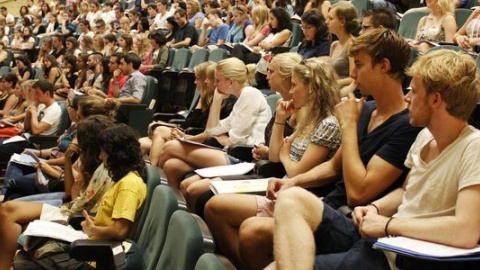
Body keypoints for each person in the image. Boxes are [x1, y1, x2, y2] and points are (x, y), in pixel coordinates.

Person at [208, 28, 422, 269]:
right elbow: (333, 167)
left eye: (360, 65)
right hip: (328, 204)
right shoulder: (365, 109)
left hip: (355, 221)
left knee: (253, 231)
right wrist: (292, 183)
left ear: (383, 66)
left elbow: (359, 193)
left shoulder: (406, 125)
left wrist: (349, 126)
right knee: (229, 214)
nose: (352, 73)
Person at [268, 47, 480, 270]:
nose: (408, 98)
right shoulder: (426, 136)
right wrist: (376, 209)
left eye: (414, 91)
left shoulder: (473, 147)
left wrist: (389, 225)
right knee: (291, 198)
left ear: (436, 99)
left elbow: (465, 231)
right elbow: (405, 191)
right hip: (381, 240)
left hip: (403, 256)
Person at [0, 115, 115, 270]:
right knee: (7, 208)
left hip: (74, 215)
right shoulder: (87, 159)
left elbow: (74, 197)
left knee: (10, 214)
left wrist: (75, 174)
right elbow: (70, 192)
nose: (75, 141)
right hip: (70, 207)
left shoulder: (102, 165)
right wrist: (68, 158)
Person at [159, 57, 271, 187]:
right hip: (231, 152)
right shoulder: (241, 98)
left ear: (231, 81)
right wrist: (217, 100)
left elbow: (237, 140)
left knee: (170, 146)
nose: (215, 84)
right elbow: (213, 130)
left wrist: (224, 140)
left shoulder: (250, 94)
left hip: (242, 159)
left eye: (218, 80)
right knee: (172, 166)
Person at [0, 79, 61, 162]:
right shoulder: (42, 106)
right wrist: (28, 115)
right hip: (26, 139)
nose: (35, 97)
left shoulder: (54, 110)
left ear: (47, 94)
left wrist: (34, 113)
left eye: (37, 94)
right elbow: (27, 127)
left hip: (35, 145)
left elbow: (36, 131)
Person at [326, 1, 358, 89]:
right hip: (332, 91)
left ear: (342, 22)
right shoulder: (334, 45)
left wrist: (329, 83)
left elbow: (354, 79)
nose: (326, 22)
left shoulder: (352, 44)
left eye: (331, 19)